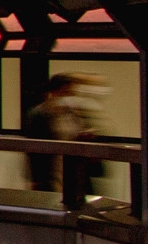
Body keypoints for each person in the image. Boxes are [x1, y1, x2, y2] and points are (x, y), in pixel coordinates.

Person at [24, 72, 98, 207]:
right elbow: (33, 150)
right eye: (66, 92)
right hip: (51, 170)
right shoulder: (39, 115)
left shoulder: (73, 113)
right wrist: (36, 179)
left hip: (72, 170)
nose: (69, 97)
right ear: (53, 92)